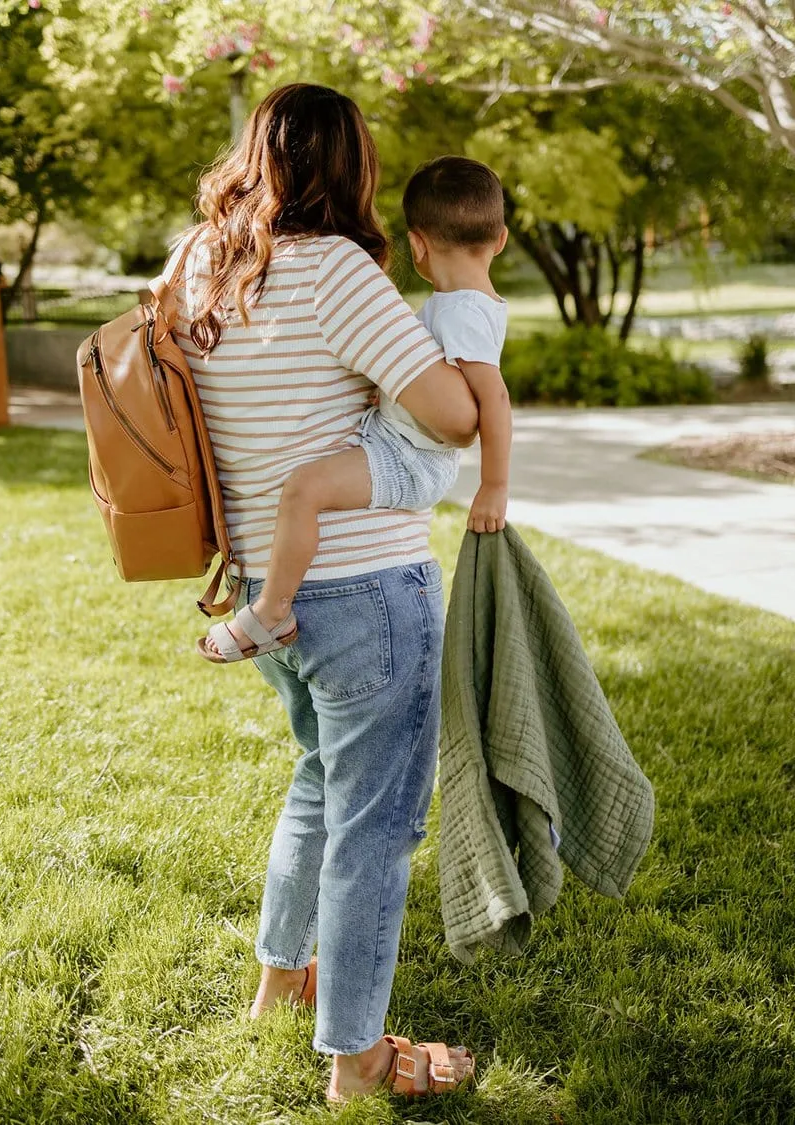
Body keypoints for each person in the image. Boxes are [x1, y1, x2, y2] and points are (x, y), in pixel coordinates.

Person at [160, 83, 478, 1103]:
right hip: (367, 587)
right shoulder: (336, 269)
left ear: (254, 154)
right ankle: (356, 1063)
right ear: (352, 166)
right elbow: (452, 416)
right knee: (376, 828)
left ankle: (275, 993)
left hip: (272, 588)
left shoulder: (196, 265)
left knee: (319, 786)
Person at [200, 155, 511, 664]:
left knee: (305, 489)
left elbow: (490, 400)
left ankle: (272, 611)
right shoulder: (469, 305)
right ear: (499, 240)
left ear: (416, 244)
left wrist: (494, 486)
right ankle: (271, 606)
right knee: (305, 489)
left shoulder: (460, 311)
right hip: (401, 444)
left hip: (409, 458)